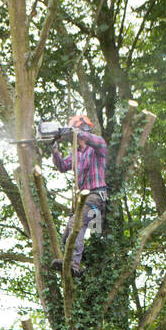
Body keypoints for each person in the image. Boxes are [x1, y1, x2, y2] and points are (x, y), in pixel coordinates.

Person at [50, 114, 108, 274]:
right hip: (83, 200)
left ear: (83, 129)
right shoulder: (77, 153)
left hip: (96, 196)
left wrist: (73, 131)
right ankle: (76, 265)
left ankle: (73, 265)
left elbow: (93, 140)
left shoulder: (98, 148)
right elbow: (62, 166)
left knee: (77, 225)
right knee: (67, 235)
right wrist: (54, 147)